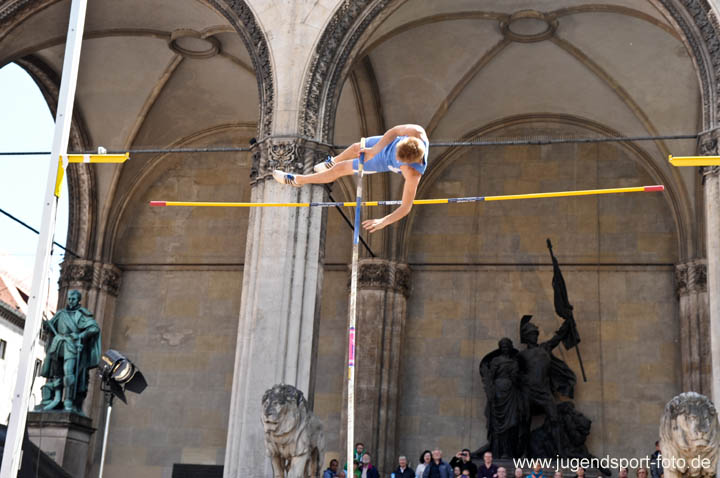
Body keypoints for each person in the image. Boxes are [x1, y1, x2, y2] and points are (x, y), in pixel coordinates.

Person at [273, 124, 430, 233]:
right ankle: (333, 161)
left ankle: (298, 180)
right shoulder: (416, 131)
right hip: (385, 145)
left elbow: (405, 207)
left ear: (409, 163)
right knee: (356, 147)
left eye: (400, 160)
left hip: (384, 162)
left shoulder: (412, 173)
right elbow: (394, 132)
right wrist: (374, 150)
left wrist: (383, 221)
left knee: (341, 169)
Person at [37, 289, 101, 413]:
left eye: (73, 299)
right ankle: (57, 399)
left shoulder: (82, 314)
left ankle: (68, 401)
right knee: (57, 373)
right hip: (58, 344)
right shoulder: (61, 313)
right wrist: (46, 325)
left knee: (68, 371)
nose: (71, 301)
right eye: (69, 299)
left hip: (71, 345)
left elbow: (94, 328)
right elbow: (51, 325)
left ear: (78, 300)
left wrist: (80, 335)